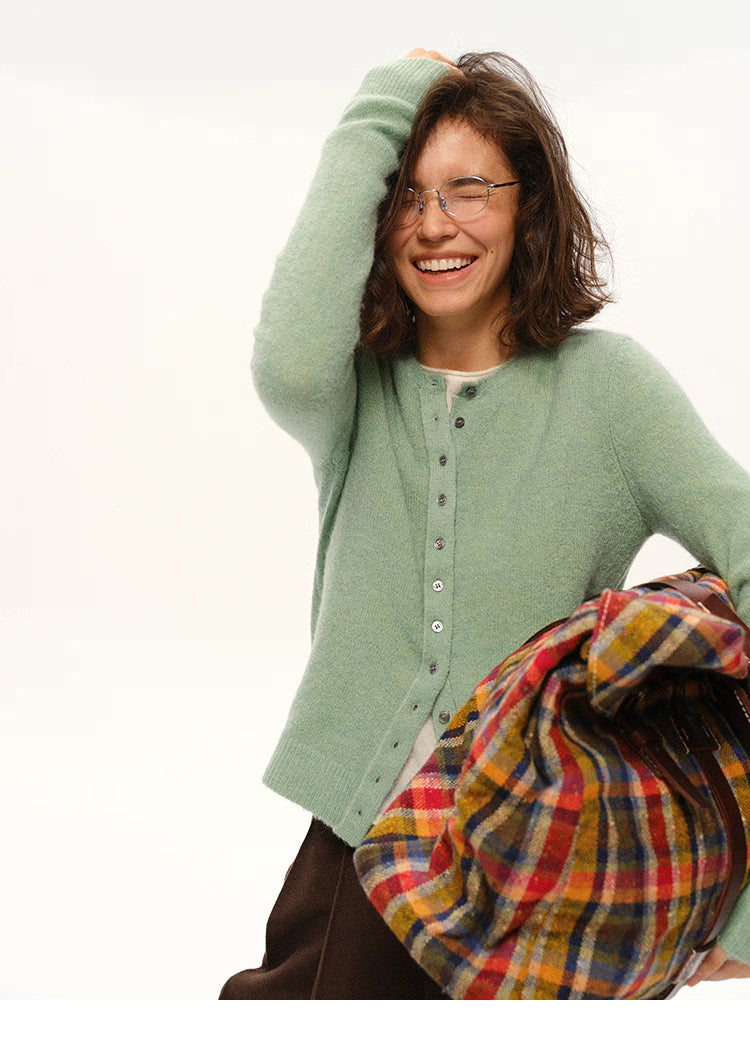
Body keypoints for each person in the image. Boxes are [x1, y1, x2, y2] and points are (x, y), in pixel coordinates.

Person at [220, 48, 750, 999]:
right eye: (408, 198)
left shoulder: (610, 392)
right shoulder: (356, 390)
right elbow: (289, 363)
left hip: (544, 869)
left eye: (468, 190)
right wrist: (389, 95)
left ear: (529, 207)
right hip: (364, 836)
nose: (434, 225)